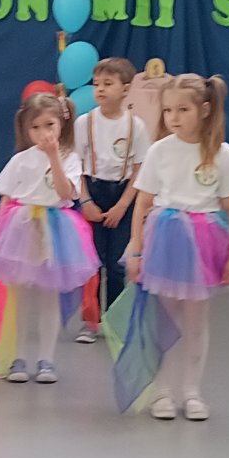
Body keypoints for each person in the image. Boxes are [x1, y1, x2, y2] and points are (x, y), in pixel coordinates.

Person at [104, 74, 229, 421]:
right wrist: (136, 248)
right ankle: (163, 391)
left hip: (205, 242)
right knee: (165, 320)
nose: (174, 117)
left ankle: (192, 391)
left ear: (205, 110)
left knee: (196, 321)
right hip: (165, 240)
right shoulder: (159, 151)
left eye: (183, 110)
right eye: (168, 110)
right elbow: (143, 203)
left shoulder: (223, 154)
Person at [0, 92, 97, 385]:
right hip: (22, 229)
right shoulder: (20, 160)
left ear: (61, 125)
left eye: (49, 125)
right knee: (20, 299)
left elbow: (66, 193)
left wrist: (54, 157)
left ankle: (46, 359)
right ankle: (18, 357)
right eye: (36, 127)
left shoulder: (70, 159)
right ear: (26, 129)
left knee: (48, 298)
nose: (43, 133)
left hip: (56, 231)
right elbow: (6, 199)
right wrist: (1, 237)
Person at [74, 57, 151, 342]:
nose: (100, 89)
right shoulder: (84, 123)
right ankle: (90, 321)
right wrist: (86, 202)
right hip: (93, 192)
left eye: (108, 84)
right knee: (92, 263)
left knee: (118, 264)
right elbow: (75, 166)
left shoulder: (136, 126)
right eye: (96, 84)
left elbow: (140, 169)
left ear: (126, 89)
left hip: (122, 196)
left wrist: (122, 205)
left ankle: (115, 321)